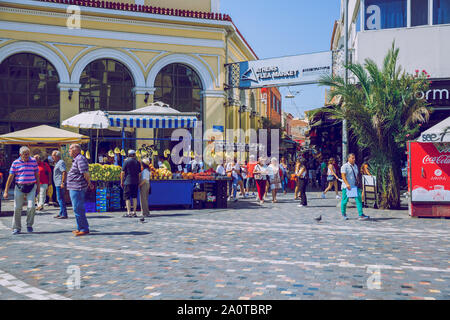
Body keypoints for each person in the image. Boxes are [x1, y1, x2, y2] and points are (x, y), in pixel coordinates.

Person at [3, 146, 40, 235]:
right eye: (25, 154)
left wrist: (38, 187)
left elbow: (37, 175)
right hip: (19, 187)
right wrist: (6, 191)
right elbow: (10, 177)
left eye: (28, 154)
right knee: (17, 208)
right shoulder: (15, 163)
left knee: (31, 207)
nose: (27, 156)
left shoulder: (33, 161)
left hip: (31, 186)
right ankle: (16, 227)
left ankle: (29, 225)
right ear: (20, 154)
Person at [67, 144, 93, 236]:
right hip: (74, 187)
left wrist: (89, 183)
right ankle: (80, 227)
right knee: (76, 208)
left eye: (70, 149)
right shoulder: (77, 159)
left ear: (75, 150)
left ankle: (84, 228)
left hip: (78, 187)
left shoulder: (80, 159)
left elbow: (85, 173)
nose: (69, 151)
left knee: (78, 208)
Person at [341, 153, 370, 221]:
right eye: (352, 158)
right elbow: (343, 176)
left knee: (359, 199)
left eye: (354, 158)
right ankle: (343, 214)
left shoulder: (355, 166)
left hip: (354, 186)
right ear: (348, 158)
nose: (354, 159)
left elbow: (356, 175)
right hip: (346, 186)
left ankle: (361, 214)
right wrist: (347, 184)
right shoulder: (344, 166)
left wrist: (357, 182)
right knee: (345, 201)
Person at [121, 149, 141, 218]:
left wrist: (121, 181)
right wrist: (138, 181)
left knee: (127, 198)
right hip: (135, 182)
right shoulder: (137, 162)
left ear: (128, 154)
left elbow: (122, 172)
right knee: (134, 197)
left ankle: (129, 212)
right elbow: (139, 173)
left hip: (127, 181)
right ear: (134, 155)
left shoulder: (126, 161)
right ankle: (134, 212)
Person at [51, 150, 68, 219]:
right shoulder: (57, 163)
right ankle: (61, 213)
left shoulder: (61, 162)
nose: (52, 157)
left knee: (60, 199)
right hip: (57, 183)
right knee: (60, 198)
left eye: (53, 155)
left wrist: (62, 182)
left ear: (57, 156)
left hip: (59, 183)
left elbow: (64, 172)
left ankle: (64, 214)